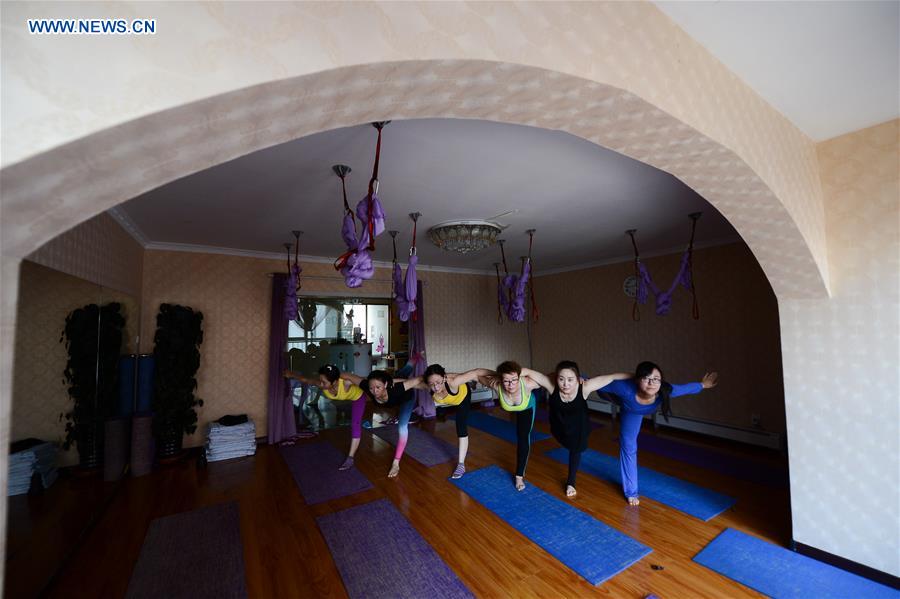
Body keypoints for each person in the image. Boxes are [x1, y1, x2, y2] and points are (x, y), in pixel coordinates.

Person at [600, 361, 719, 506]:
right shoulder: (624, 387)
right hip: (614, 395)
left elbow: (685, 388)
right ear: (638, 380)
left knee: (629, 447)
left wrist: (702, 385)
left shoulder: (665, 390)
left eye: (656, 378)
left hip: (633, 412)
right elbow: (599, 383)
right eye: (646, 378)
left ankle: (631, 491)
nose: (652, 383)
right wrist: (582, 383)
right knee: (593, 387)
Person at [522, 362, 630, 498]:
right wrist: (508, 377)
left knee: (576, 449)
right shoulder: (551, 385)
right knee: (566, 442)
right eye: (561, 379)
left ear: (578, 379)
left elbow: (612, 377)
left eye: (570, 380)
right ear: (556, 378)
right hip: (558, 428)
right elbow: (527, 371)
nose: (565, 384)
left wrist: (637, 376)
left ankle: (571, 482)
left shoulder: (584, 387)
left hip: (579, 428)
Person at [405, 364, 491, 479]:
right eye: (432, 384)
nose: (435, 387)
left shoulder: (453, 382)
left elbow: (477, 372)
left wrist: (500, 376)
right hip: (449, 399)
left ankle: (461, 464)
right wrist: (389, 383)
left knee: (461, 427)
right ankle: (469, 384)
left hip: (463, 397)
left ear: (444, 379)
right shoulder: (428, 385)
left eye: (438, 382)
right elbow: (406, 383)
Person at [338, 369, 419, 478]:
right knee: (403, 371)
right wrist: (331, 375)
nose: (374, 391)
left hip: (406, 399)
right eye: (371, 388)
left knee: (402, 427)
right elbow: (348, 375)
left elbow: (419, 380)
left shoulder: (397, 388)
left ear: (385, 384)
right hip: (392, 398)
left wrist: (438, 383)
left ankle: (396, 463)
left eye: (378, 387)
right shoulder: (367, 386)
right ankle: (410, 364)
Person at [283, 364, 366, 470]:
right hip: (345, 397)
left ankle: (350, 457)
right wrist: (291, 374)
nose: (321, 384)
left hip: (358, 397)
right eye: (320, 380)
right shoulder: (321, 384)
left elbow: (365, 382)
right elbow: (306, 380)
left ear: (335, 382)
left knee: (355, 424)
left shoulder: (346, 382)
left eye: (324, 382)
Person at [481, 361, 542, 491]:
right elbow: (477, 375)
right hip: (513, 404)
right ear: (501, 379)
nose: (511, 385)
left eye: (514, 380)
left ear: (519, 378)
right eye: (506, 381)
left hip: (527, 407)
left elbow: (547, 380)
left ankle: (519, 475)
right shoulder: (497, 385)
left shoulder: (528, 383)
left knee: (523, 437)